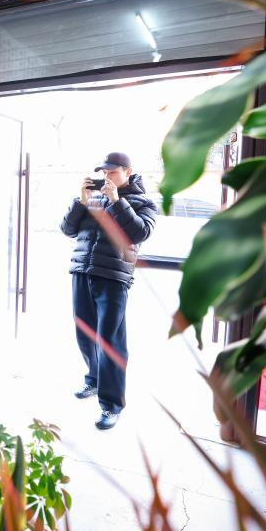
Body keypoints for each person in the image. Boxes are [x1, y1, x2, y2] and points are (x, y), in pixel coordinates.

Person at [60, 152, 157, 430]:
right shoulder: (93, 198)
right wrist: (80, 201)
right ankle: (93, 379)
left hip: (113, 278)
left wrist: (117, 201)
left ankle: (111, 405)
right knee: (84, 334)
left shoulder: (143, 202)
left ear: (128, 171)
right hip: (82, 271)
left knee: (110, 341)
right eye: (104, 172)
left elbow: (139, 233)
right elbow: (67, 229)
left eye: (112, 172)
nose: (107, 177)